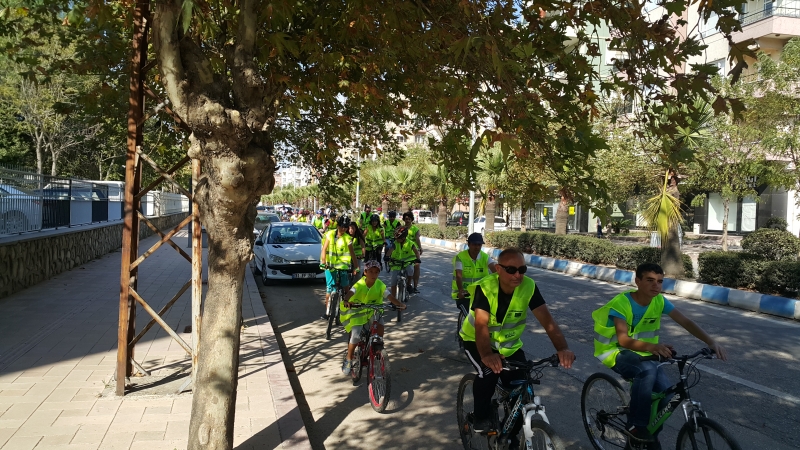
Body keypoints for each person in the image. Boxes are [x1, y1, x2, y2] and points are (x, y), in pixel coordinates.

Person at [592, 263, 727, 447]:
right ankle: (637, 427)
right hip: (614, 351)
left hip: (643, 351)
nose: (656, 285)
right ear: (637, 281)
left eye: (660, 282)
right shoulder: (622, 303)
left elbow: (686, 322)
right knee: (646, 371)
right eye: (650, 280)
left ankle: (649, 433)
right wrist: (652, 346)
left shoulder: (660, 301)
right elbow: (623, 340)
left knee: (667, 395)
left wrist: (710, 341)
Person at [460, 247, 575, 435]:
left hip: (508, 346)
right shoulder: (485, 287)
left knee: (522, 388)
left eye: (522, 270)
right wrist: (488, 355)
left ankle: (510, 438)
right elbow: (481, 325)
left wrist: (563, 348)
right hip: (476, 341)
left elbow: (548, 321)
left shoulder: (528, 286)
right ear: (498, 269)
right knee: (488, 372)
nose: (517, 275)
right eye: (511, 270)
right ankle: (480, 416)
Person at [339, 260, 407, 374]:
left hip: (374, 311)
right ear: (365, 272)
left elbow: (389, 296)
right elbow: (351, 292)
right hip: (358, 311)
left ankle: (378, 348)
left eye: (376, 272)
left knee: (380, 326)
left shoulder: (380, 284)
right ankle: (349, 358)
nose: (373, 275)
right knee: (355, 335)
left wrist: (400, 304)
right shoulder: (359, 284)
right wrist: (346, 300)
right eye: (371, 271)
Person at [319, 216, 358, 320]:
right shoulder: (330, 234)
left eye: (346, 227)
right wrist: (323, 262)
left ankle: (347, 307)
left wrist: (356, 267)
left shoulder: (348, 238)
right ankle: (327, 312)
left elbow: (352, 254)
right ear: (337, 225)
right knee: (329, 288)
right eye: (342, 226)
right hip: (330, 266)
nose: (343, 229)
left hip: (343, 267)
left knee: (346, 287)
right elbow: (324, 249)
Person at [452, 233, 497, 314]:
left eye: (479, 245)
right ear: (469, 244)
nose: (477, 247)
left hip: (482, 294)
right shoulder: (460, 257)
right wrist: (461, 291)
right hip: (465, 295)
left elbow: (496, 271)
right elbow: (459, 276)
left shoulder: (485, 257)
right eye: (474, 244)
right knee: (469, 317)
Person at [387, 226, 420, 299]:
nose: (396, 239)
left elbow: (416, 252)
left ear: (403, 237)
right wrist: (387, 256)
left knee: (411, 269)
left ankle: (408, 284)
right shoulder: (395, 243)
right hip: (396, 264)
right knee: (393, 281)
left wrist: (418, 259)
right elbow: (390, 250)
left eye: (398, 238)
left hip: (407, 263)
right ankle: (393, 300)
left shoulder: (410, 243)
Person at [402, 212, 422, 293]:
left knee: (416, 266)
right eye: (406, 219)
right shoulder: (401, 228)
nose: (407, 221)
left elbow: (417, 239)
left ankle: (415, 286)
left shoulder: (415, 229)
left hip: (414, 251)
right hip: (403, 250)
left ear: (412, 220)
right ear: (404, 219)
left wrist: (420, 248)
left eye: (409, 219)